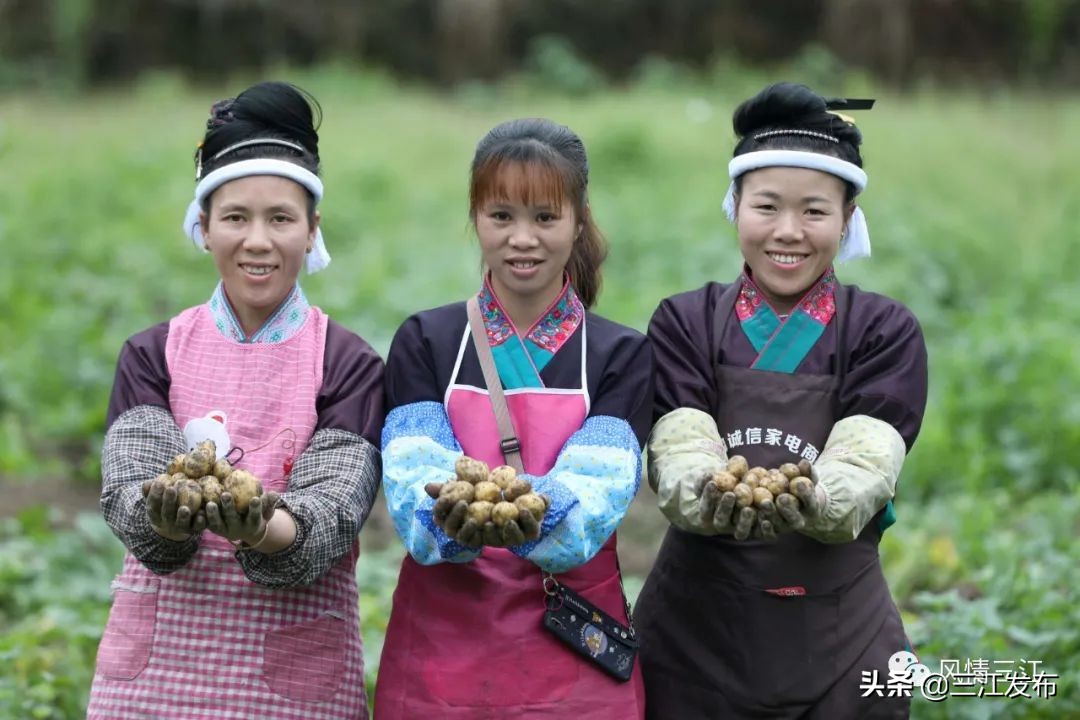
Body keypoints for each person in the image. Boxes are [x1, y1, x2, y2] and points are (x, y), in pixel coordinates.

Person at [88, 81, 383, 719]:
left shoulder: (349, 363)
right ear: (204, 227)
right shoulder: (152, 352)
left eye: (281, 218)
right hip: (154, 680)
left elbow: (331, 514)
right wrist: (164, 517)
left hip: (292, 682)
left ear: (311, 230)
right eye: (235, 218)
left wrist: (260, 525)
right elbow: (131, 488)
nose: (258, 241)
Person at [633, 82, 929, 718]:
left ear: (847, 219)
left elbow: (868, 454)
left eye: (815, 212)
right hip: (693, 640)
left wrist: (820, 499)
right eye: (766, 207)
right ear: (735, 206)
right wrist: (705, 491)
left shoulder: (882, 329)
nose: (788, 232)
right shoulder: (685, 322)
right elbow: (678, 445)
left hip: (842, 638)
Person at [373, 118, 653, 718]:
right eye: (501, 216)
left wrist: (521, 512)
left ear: (579, 222)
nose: (522, 238)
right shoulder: (426, 340)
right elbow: (410, 473)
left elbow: (598, 487)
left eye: (544, 218)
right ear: (475, 219)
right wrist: (453, 514)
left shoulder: (619, 354)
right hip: (442, 655)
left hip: (573, 652)